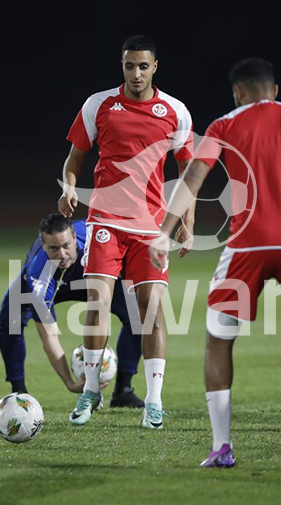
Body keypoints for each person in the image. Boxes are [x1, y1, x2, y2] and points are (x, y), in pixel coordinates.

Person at [151, 58, 281, 470]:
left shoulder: (224, 125)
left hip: (247, 246)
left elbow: (194, 176)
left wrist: (165, 230)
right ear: (275, 90)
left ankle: (222, 447)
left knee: (218, 340)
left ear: (238, 93)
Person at [59, 35, 195, 428]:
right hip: (105, 220)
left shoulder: (175, 111)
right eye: (129, 65)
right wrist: (69, 188)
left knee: (151, 311)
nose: (136, 73)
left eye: (143, 66)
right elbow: (74, 159)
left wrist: (187, 222)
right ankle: (90, 392)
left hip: (151, 226)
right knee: (97, 303)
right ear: (122, 65)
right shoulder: (98, 104)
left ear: (155, 67)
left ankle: (154, 400)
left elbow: (189, 170)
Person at [0, 213, 144, 408]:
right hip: (51, 281)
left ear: (74, 237)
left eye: (66, 245)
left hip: (91, 275)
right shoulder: (39, 276)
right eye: (53, 248)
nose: (62, 254)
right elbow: (49, 337)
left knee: (138, 316)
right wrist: (69, 382)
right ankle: (19, 393)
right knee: (10, 320)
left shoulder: (98, 245)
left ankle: (123, 391)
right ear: (43, 246)